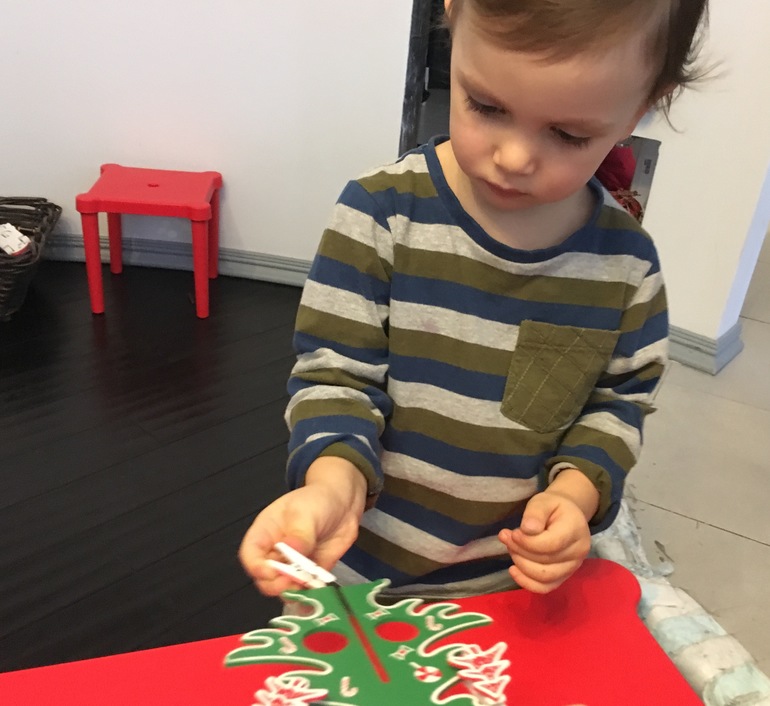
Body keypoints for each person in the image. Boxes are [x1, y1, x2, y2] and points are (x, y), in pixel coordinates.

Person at [240, 0, 709, 599]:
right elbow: (336, 378)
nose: (514, 158)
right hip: (353, 578)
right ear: (452, 16)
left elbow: (617, 405)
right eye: (486, 106)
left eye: (568, 134)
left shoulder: (627, 268)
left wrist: (574, 497)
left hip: (506, 594)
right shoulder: (380, 215)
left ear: (641, 108)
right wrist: (331, 485)